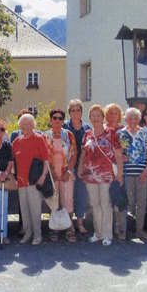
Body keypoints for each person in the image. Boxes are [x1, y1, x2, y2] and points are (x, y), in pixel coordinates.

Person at [78, 104, 123, 246]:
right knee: (94, 204)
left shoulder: (111, 133)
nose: (96, 118)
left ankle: (107, 234)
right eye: (93, 116)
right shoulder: (87, 134)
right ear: (90, 118)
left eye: (98, 116)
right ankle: (97, 233)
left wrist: (120, 172)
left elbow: (118, 154)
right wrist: (80, 167)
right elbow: (84, 152)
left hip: (106, 174)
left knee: (105, 203)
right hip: (90, 174)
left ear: (103, 117)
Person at [12, 113, 50, 245]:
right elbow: (12, 162)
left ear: (33, 125)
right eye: (23, 125)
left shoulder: (39, 139)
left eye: (28, 124)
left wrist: (43, 176)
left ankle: (37, 235)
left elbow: (46, 161)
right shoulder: (16, 141)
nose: (26, 127)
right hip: (21, 182)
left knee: (35, 210)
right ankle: (28, 234)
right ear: (20, 126)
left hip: (34, 181)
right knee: (24, 209)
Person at [117, 107, 147, 240]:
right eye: (130, 118)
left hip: (142, 173)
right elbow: (117, 152)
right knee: (127, 202)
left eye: (135, 118)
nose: (132, 121)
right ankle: (122, 230)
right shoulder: (121, 133)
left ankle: (139, 229)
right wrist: (121, 156)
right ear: (125, 119)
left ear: (139, 119)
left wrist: (146, 169)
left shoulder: (144, 133)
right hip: (127, 173)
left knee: (142, 202)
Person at [43, 108, 77, 243]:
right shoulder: (45, 136)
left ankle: (69, 228)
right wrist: (50, 172)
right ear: (51, 120)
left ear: (63, 120)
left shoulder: (68, 135)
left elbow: (74, 154)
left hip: (66, 174)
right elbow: (42, 156)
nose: (57, 120)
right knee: (54, 201)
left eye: (60, 118)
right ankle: (55, 228)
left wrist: (68, 171)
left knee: (67, 200)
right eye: (54, 118)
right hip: (51, 174)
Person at [63, 99, 92, 235]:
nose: (75, 113)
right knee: (69, 195)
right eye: (72, 110)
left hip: (83, 166)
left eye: (78, 110)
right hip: (68, 166)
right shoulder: (64, 127)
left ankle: (80, 222)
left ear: (81, 112)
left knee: (81, 194)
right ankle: (69, 224)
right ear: (69, 113)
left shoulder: (87, 128)